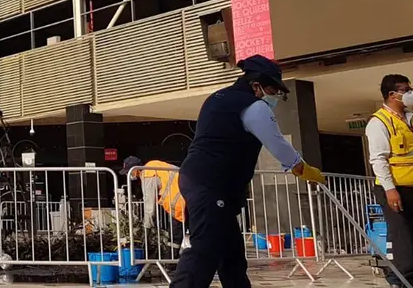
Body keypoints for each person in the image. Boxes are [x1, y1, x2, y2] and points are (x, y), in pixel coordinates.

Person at [169, 55, 325, 288]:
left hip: (200, 179)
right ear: (256, 86)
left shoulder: (218, 98)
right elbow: (276, 142)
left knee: (231, 254)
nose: (275, 96)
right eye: (273, 90)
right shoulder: (253, 106)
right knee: (204, 250)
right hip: (212, 183)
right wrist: (301, 167)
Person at [366, 74, 413, 288]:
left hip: (411, 186)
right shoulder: (379, 122)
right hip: (395, 189)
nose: (410, 93)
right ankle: (401, 281)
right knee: (403, 240)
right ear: (393, 95)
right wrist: (390, 189)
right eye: (406, 90)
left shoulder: (409, 118)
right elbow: (378, 159)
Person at [121, 156, 186, 250]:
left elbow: (150, 207)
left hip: (179, 203)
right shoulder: (153, 166)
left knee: (175, 238)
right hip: (187, 196)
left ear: (135, 169)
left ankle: (171, 258)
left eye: (128, 172)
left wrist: (146, 229)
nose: (128, 175)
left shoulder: (148, 175)